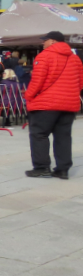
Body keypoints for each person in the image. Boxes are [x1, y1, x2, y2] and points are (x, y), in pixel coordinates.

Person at [24, 31, 83, 179]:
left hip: (46, 103)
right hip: (69, 103)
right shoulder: (75, 59)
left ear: (53, 41)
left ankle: (42, 167)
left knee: (39, 134)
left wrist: (28, 96)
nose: (42, 43)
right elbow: (80, 82)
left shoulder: (44, 56)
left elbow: (37, 81)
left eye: (45, 40)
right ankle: (63, 170)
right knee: (63, 136)